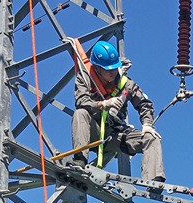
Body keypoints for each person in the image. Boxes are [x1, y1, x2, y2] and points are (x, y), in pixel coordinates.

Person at [71, 39, 165, 182]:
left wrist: (147, 125)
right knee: (80, 113)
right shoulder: (85, 78)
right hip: (93, 133)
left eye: (115, 68)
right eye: (108, 70)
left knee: (151, 137)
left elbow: (144, 103)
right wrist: (104, 104)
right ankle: (80, 161)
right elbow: (81, 102)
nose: (113, 73)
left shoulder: (125, 83)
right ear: (97, 68)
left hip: (116, 134)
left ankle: (153, 181)